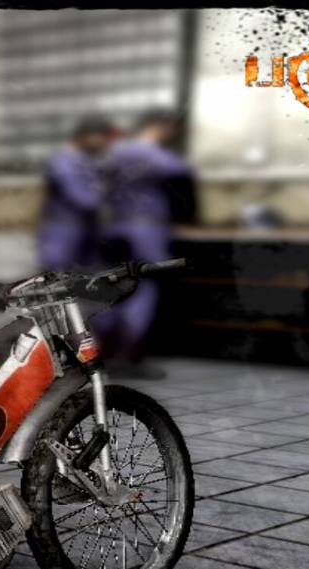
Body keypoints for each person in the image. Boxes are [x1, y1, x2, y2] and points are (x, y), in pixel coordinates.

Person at [94, 109, 197, 376]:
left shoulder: (115, 152)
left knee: (113, 290)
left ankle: (101, 356)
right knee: (143, 290)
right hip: (145, 231)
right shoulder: (160, 157)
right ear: (163, 126)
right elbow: (182, 173)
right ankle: (126, 356)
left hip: (114, 228)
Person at [36, 115, 116, 272]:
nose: (107, 143)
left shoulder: (88, 162)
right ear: (87, 136)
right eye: (104, 137)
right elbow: (85, 199)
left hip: (85, 233)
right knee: (58, 280)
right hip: (63, 233)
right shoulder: (64, 163)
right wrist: (107, 188)